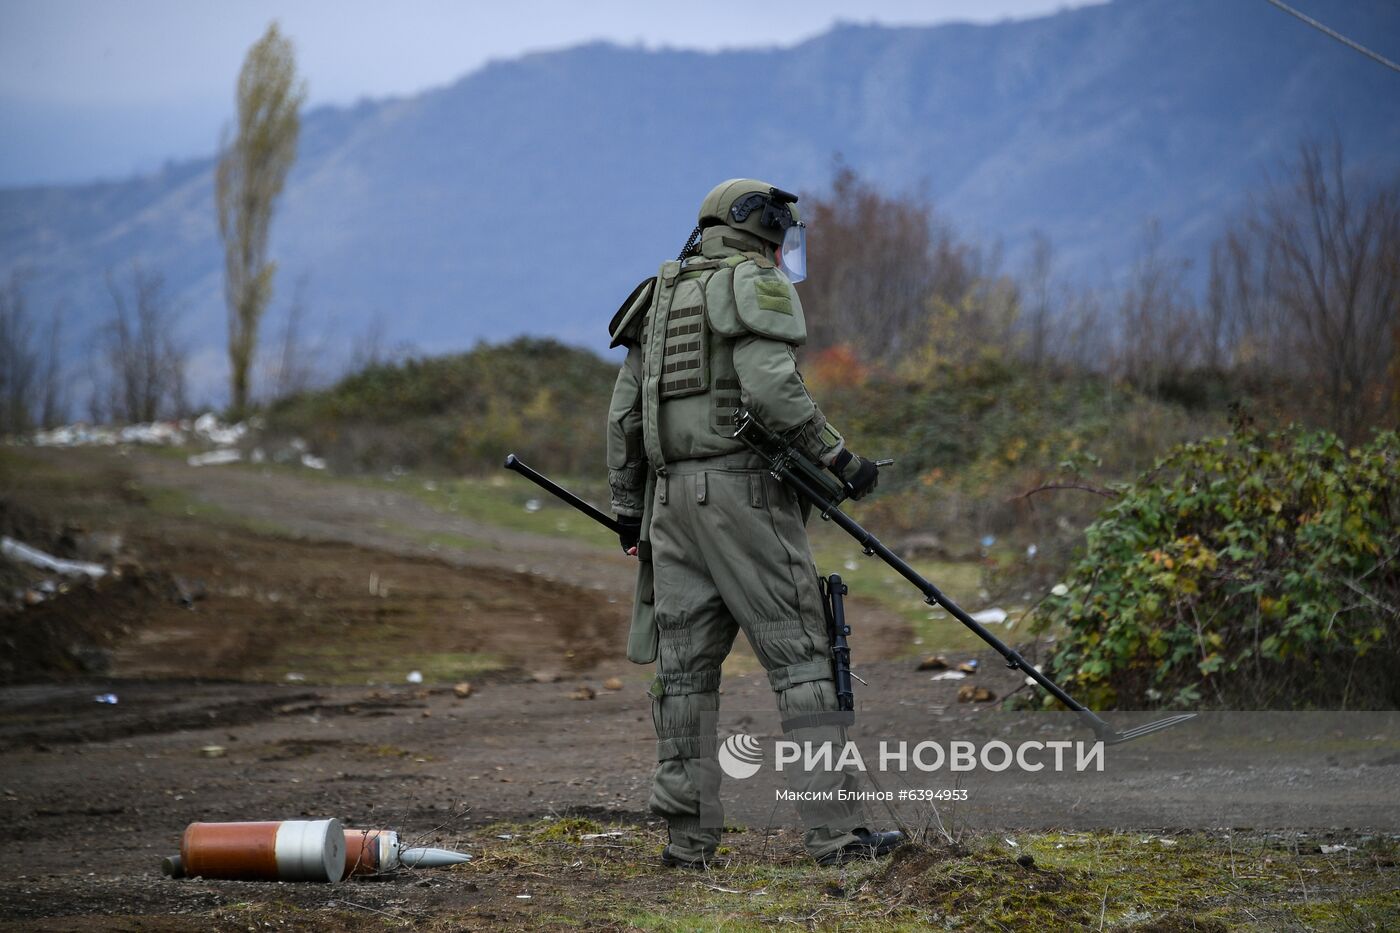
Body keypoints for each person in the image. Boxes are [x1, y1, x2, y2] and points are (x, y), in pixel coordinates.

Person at [605, 178, 904, 868]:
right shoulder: (752, 282)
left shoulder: (659, 296)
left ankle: (687, 841)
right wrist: (839, 458)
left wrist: (629, 509)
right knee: (801, 658)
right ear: (760, 227)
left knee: (683, 674)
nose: (782, 250)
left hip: (670, 503)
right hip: (742, 495)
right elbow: (771, 387)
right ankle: (837, 836)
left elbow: (624, 416)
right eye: (781, 235)